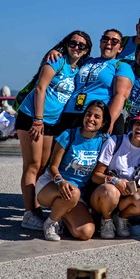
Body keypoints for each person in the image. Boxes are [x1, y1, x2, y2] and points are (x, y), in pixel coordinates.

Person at [16, 30, 91, 231]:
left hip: (52, 122)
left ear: (86, 51)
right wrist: (38, 120)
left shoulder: (78, 69)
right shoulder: (56, 60)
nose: (76, 48)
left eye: (81, 46)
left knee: (42, 166)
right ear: (66, 45)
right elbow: (41, 88)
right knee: (32, 165)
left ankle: (36, 208)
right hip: (33, 117)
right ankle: (29, 213)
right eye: (73, 43)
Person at [37, 101, 111, 241]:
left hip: (75, 195)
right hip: (53, 184)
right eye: (88, 114)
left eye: (97, 117)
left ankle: (62, 217)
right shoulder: (68, 134)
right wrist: (60, 182)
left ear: (103, 122)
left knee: (86, 233)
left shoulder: (104, 141)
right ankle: (50, 223)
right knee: (73, 192)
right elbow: (53, 166)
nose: (91, 119)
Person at [90, 108, 140, 238]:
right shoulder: (115, 141)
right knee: (111, 191)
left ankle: (122, 217)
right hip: (104, 193)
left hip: (126, 199)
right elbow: (96, 175)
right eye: (137, 123)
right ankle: (106, 220)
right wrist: (115, 181)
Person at [57, 29, 134, 135]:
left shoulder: (122, 66)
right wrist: (56, 52)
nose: (109, 42)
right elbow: (70, 53)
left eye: (114, 41)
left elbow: (121, 95)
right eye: (105, 39)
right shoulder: (86, 61)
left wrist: (108, 122)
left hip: (98, 118)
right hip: (71, 113)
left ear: (120, 48)